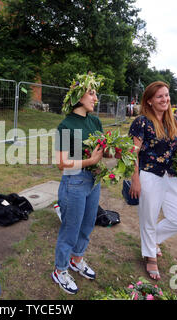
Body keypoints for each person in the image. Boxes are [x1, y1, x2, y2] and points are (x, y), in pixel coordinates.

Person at [128, 81, 177, 281]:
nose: (165, 99)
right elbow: (133, 154)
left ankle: (152, 240)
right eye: (159, 96)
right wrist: (135, 180)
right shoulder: (141, 122)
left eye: (166, 95)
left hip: (173, 176)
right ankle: (150, 255)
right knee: (148, 217)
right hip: (149, 174)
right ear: (149, 100)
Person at [52, 72, 105, 294]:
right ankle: (60, 269)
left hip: (94, 181)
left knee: (87, 224)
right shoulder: (65, 126)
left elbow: (102, 147)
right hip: (74, 182)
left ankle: (77, 260)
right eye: (91, 93)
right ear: (78, 96)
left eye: (95, 93)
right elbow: (61, 163)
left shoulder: (95, 120)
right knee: (70, 229)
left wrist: (115, 153)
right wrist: (90, 161)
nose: (95, 98)